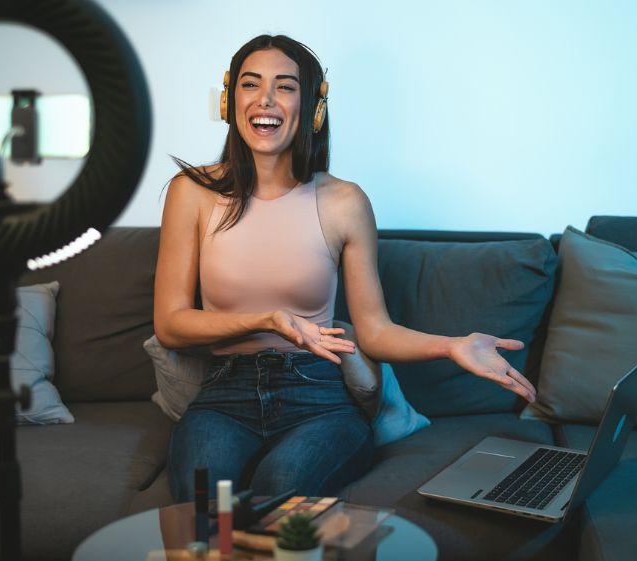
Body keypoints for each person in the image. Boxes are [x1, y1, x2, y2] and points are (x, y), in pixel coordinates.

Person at [155, 34, 537, 502]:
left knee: (285, 494)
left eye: (286, 87)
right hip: (224, 391)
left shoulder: (344, 202)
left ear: (313, 107)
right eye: (250, 84)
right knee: (202, 502)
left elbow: (373, 331)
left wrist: (453, 346)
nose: (265, 100)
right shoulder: (191, 192)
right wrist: (268, 319)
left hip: (318, 394)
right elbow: (171, 325)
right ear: (228, 100)